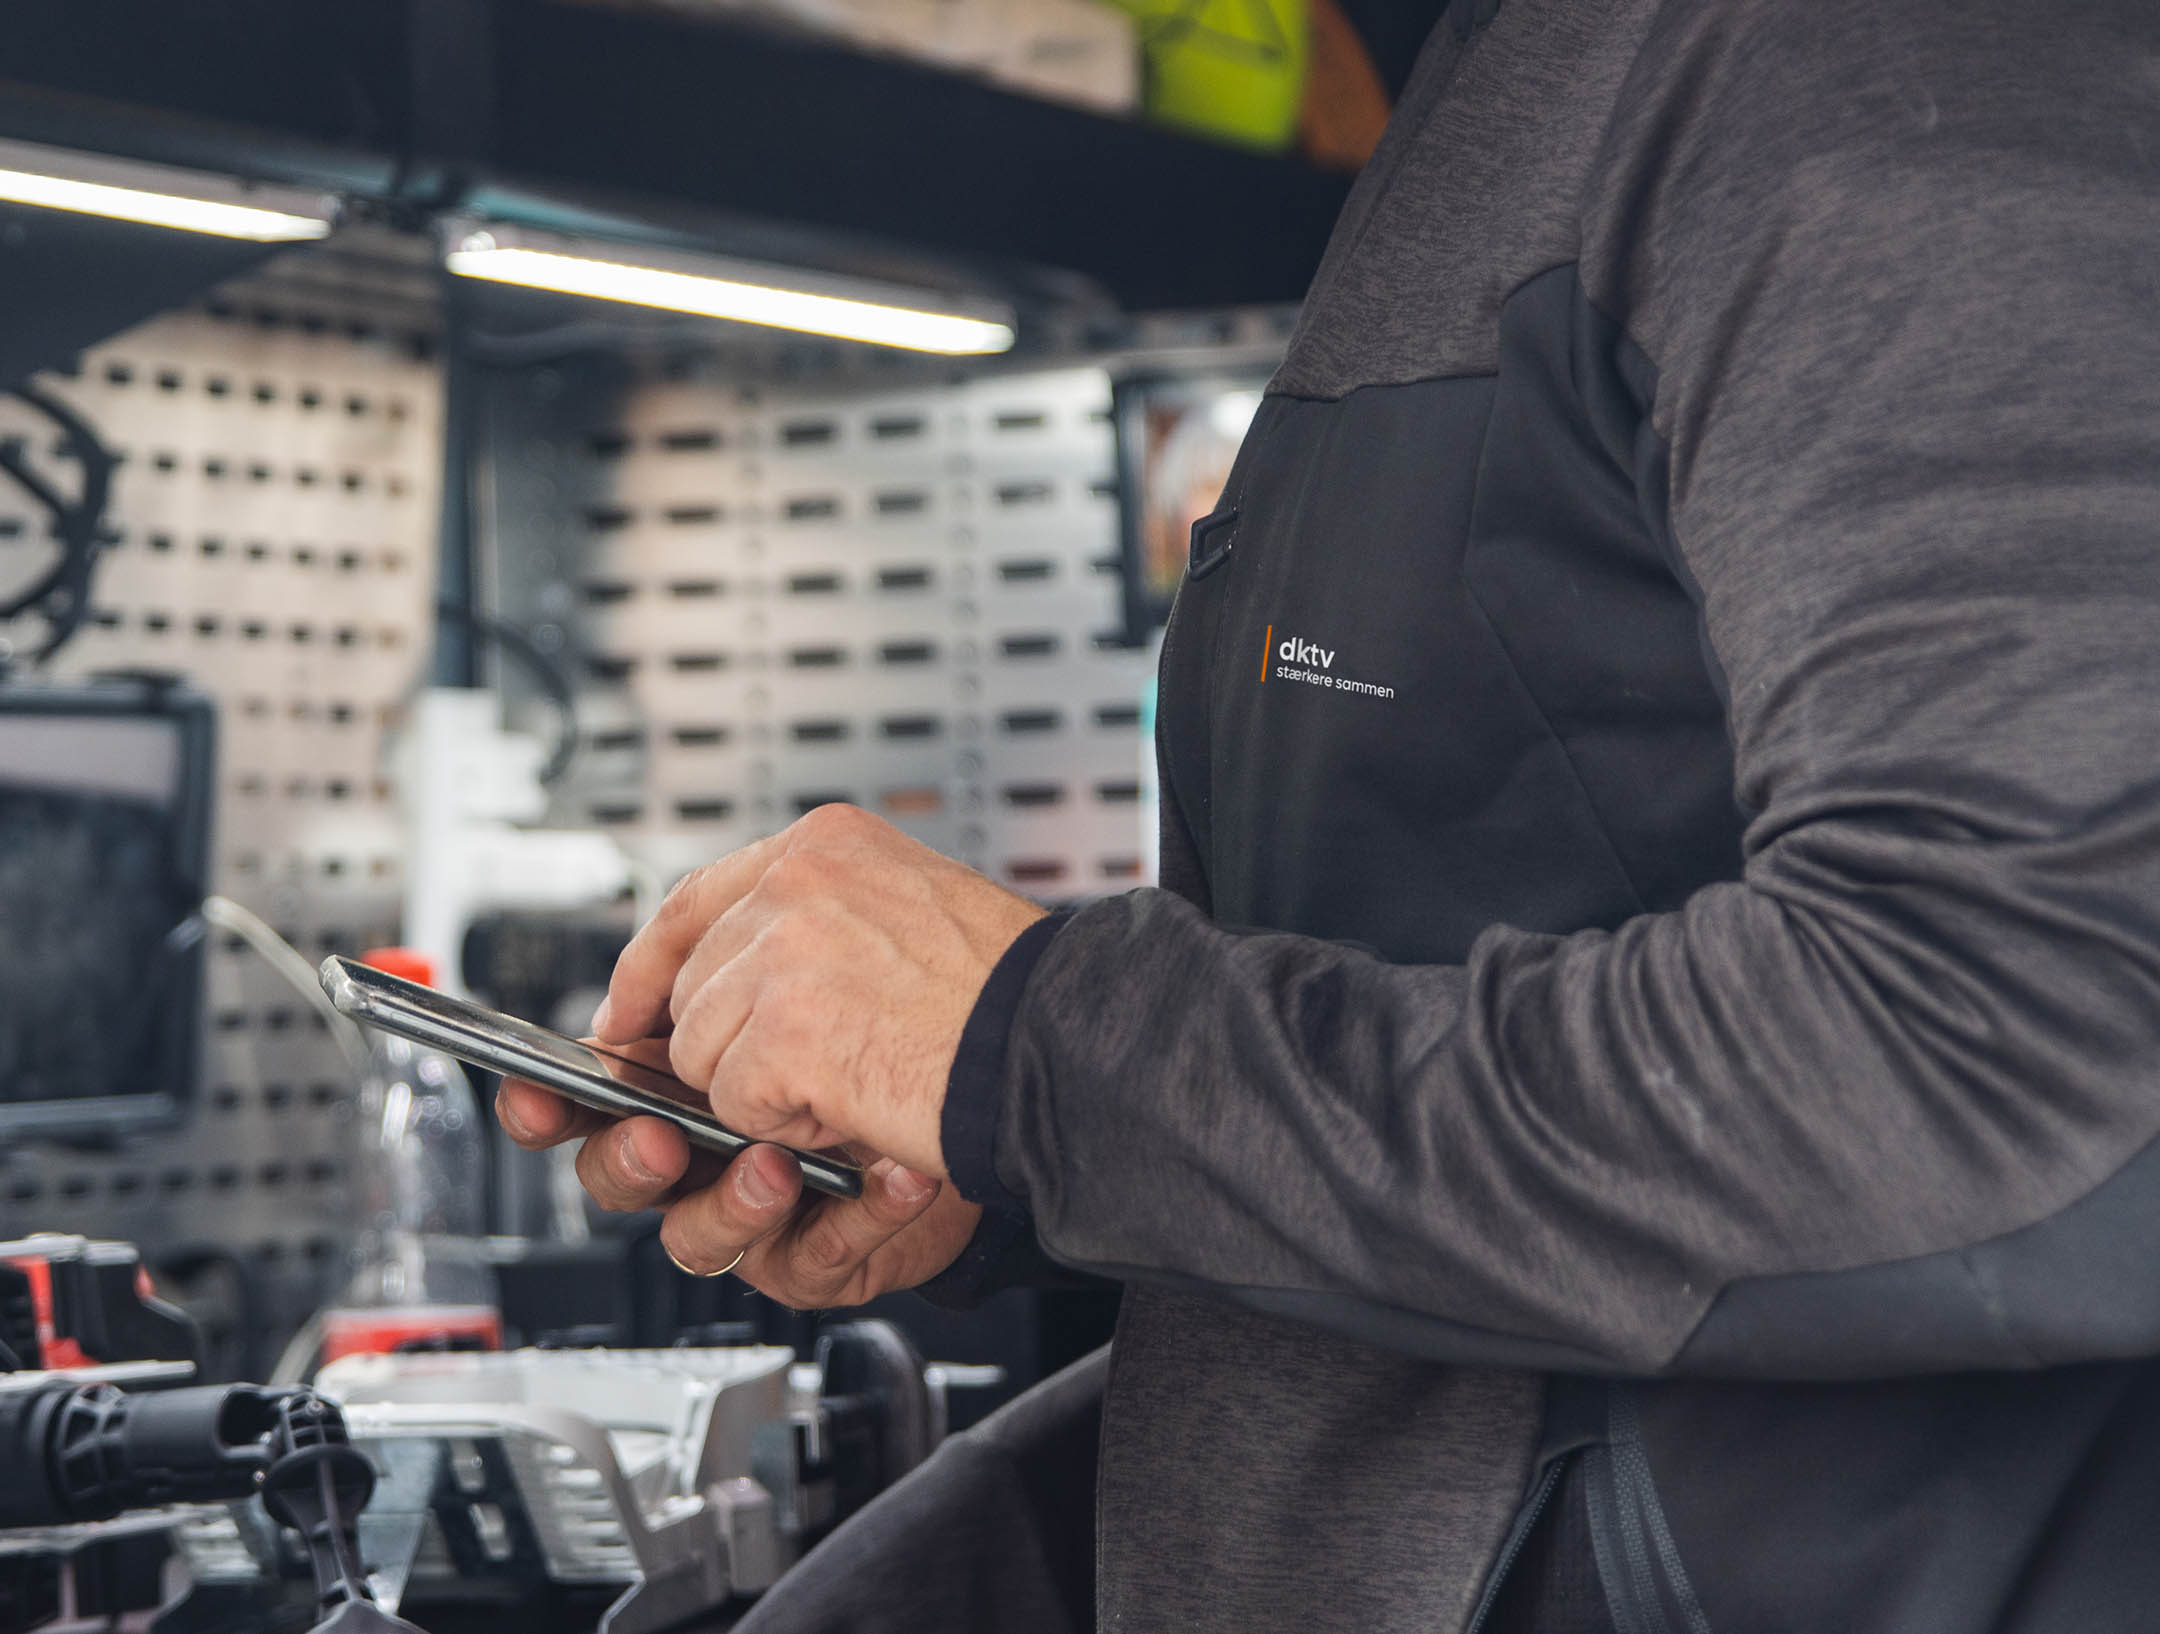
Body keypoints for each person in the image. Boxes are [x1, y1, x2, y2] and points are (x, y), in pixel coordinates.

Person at [501, 0, 2160, 1629]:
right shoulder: (1503, 79)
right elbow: (1486, 945)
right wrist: (1004, 1146)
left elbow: (2045, 1054)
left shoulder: (1873, 51)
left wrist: (1051, 1056)